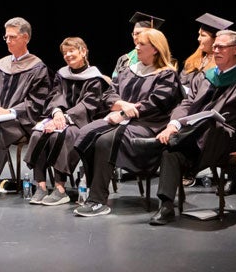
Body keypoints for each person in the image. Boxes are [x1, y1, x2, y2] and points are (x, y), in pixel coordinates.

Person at [142, 29, 236, 225]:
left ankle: (160, 146)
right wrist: (173, 125)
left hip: (227, 137)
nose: (216, 50)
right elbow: (187, 104)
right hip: (196, 137)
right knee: (171, 152)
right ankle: (166, 206)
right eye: (215, 46)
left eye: (221, 47)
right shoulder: (205, 77)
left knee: (213, 125)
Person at [70, 28, 181, 218]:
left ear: (155, 49)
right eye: (137, 43)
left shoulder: (166, 75)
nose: (136, 47)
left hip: (148, 125)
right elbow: (109, 94)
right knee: (87, 132)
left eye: (142, 44)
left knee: (105, 141)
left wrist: (124, 114)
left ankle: (98, 200)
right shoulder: (129, 69)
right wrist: (121, 104)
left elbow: (156, 102)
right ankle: (92, 188)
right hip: (122, 119)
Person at [25, 37, 113, 207]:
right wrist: (57, 112)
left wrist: (65, 118)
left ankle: (60, 189)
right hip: (58, 116)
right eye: (65, 53)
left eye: (72, 51)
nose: (68, 55)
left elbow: (89, 104)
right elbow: (54, 95)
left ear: (83, 51)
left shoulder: (95, 78)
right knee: (38, 133)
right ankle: (41, 185)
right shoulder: (62, 74)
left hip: (82, 122)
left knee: (64, 135)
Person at [0, 17, 52, 201]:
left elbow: (36, 103)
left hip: (21, 121)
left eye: (12, 37)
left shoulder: (37, 68)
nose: (8, 41)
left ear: (25, 38)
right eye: (6, 37)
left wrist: (8, 112)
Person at [181, 13, 233, 84]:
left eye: (203, 35)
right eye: (199, 34)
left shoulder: (222, 66)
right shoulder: (193, 59)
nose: (198, 39)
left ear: (215, 40)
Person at [113, 11, 163, 79]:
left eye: (139, 33)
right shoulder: (124, 59)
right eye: (134, 34)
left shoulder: (164, 63)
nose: (135, 37)